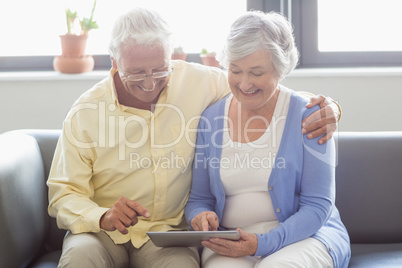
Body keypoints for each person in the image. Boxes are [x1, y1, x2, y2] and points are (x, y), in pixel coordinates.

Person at [47, 7, 342, 268]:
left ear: (171, 56)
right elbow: (62, 194)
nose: (150, 84)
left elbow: (266, 93)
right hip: (101, 234)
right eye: (136, 73)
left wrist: (327, 108)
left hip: (165, 237)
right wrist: (102, 216)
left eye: (160, 69)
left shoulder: (199, 82)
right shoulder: (85, 112)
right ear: (114, 62)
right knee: (79, 259)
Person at [185, 10, 350, 268]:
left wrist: (262, 243)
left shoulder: (311, 117)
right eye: (235, 70)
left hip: (305, 238)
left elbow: (318, 206)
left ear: (280, 69)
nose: (244, 83)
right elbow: (199, 198)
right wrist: (201, 216)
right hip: (232, 241)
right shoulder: (211, 118)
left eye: (257, 72)